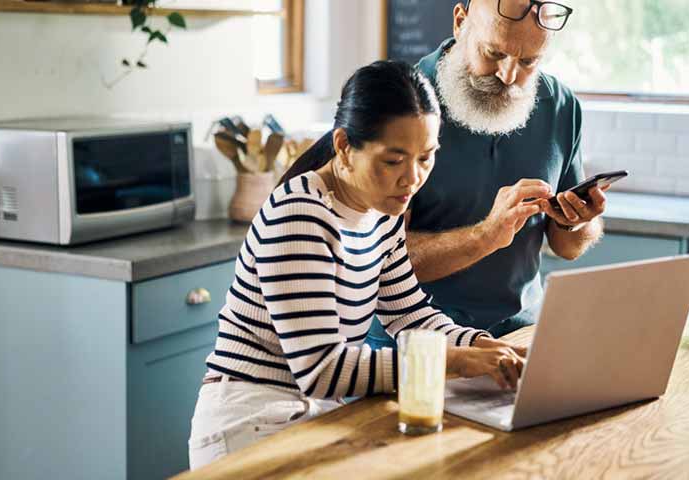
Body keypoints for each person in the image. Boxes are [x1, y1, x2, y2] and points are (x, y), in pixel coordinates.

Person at [188, 60, 526, 469]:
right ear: (345, 145)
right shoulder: (300, 214)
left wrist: (481, 345)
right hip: (249, 422)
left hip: (313, 415)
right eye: (393, 160)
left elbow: (410, 314)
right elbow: (322, 370)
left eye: (426, 157)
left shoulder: (381, 209)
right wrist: (454, 360)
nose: (412, 179)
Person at [368, 0, 610, 347]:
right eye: (494, 53)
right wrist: (485, 236)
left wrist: (577, 221)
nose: (509, 76)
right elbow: (373, 263)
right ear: (460, 21)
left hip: (521, 340)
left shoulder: (562, 106)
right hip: (417, 348)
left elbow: (567, 247)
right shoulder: (399, 103)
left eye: (529, 61)